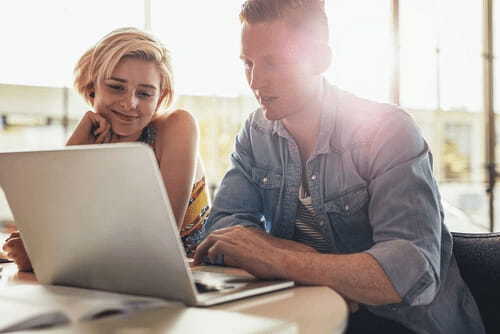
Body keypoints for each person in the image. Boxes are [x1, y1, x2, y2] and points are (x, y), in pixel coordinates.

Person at [193, 1, 485, 333]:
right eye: (248, 64)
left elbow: (408, 274)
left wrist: (279, 259)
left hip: (404, 324)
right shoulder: (255, 132)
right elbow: (223, 231)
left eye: (273, 63)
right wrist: (319, 268)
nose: (256, 81)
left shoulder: (386, 130)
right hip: (307, 311)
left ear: (321, 60)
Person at [3, 27, 209, 271]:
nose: (129, 103)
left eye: (144, 93)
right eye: (116, 87)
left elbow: (158, 244)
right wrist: (75, 146)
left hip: (192, 280)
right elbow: (41, 226)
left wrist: (42, 254)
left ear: (160, 98)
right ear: (92, 89)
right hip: (106, 279)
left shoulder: (176, 127)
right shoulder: (92, 140)